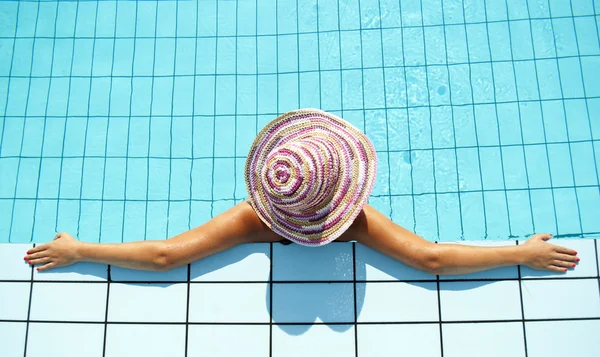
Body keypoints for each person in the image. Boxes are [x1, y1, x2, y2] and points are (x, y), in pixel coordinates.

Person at [23, 109, 579, 275]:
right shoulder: (360, 222)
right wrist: (521, 253)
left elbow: (167, 255)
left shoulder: (250, 220)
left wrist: (79, 250)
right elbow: (430, 258)